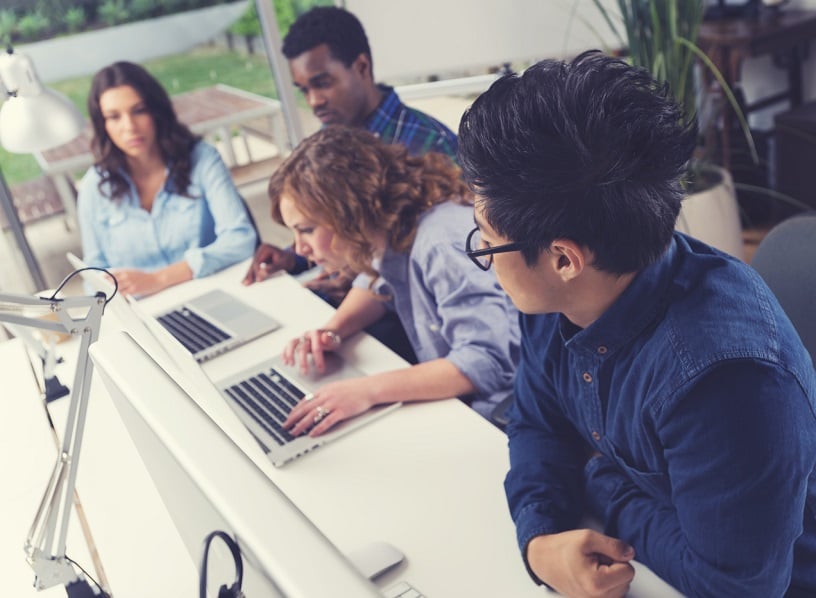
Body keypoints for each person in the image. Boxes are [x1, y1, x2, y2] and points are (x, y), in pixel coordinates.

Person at [456, 50, 816, 598]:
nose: (485, 254)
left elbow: (733, 587)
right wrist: (540, 536)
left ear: (564, 259)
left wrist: (601, 481)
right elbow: (537, 424)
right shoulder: (558, 299)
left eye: (486, 238)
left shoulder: (723, 377)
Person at [268, 125, 518, 435]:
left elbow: (485, 362)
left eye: (306, 230)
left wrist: (366, 391)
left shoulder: (439, 244)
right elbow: (376, 282)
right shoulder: (390, 228)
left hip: (492, 420)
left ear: (349, 213)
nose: (298, 248)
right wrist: (331, 331)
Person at [242, 5, 458, 287]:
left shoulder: (429, 144)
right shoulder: (326, 144)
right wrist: (293, 259)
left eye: (322, 83)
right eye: (304, 89)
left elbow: (453, 255)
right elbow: (336, 227)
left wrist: (359, 278)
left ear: (361, 67)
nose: (313, 101)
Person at [77, 61, 258, 296]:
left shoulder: (202, 160)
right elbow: (92, 276)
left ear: (156, 111)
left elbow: (241, 240)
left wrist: (159, 279)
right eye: (114, 117)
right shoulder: (94, 186)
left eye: (139, 111)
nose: (129, 127)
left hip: (212, 292)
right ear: (103, 125)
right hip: (143, 311)